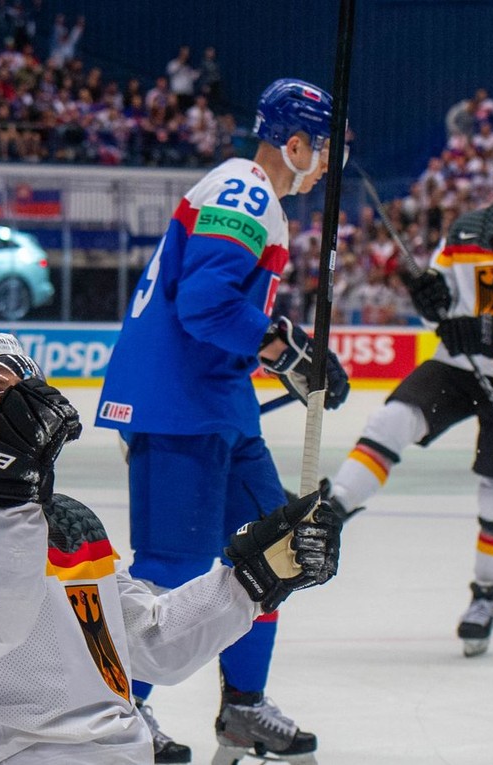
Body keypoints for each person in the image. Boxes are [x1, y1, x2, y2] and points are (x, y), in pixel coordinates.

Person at [0, 329, 342, 765]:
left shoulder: (68, 518)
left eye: (26, 386)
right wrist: (13, 495)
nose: (24, 403)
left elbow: (151, 644)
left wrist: (254, 579)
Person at [95, 78, 351, 765]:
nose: (327, 165)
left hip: (215, 402)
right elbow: (204, 304)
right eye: (323, 150)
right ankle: (123, 711)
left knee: (279, 550)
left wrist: (286, 350)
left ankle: (242, 708)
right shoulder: (244, 189)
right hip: (178, 404)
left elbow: (218, 313)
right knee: (172, 569)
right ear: (293, 145)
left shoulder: (253, 196)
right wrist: (282, 344)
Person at [325, 132, 493, 658]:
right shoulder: (466, 228)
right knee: (392, 421)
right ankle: (334, 510)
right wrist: (431, 298)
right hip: (456, 366)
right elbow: (446, 296)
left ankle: (486, 595)